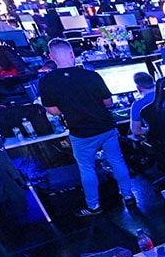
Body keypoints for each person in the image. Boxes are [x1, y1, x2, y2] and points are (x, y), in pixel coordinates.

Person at [39, 39, 135, 216]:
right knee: (117, 162)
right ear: (71, 54)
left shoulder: (47, 82)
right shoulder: (91, 76)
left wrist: (69, 107)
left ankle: (93, 206)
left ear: (51, 57)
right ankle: (128, 197)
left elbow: (52, 111)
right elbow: (108, 102)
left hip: (81, 132)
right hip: (105, 127)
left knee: (86, 168)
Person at [129, 72, 156, 138]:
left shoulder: (138, 104)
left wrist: (151, 130)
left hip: (157, 140)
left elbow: (136, 131)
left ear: (138, 88)